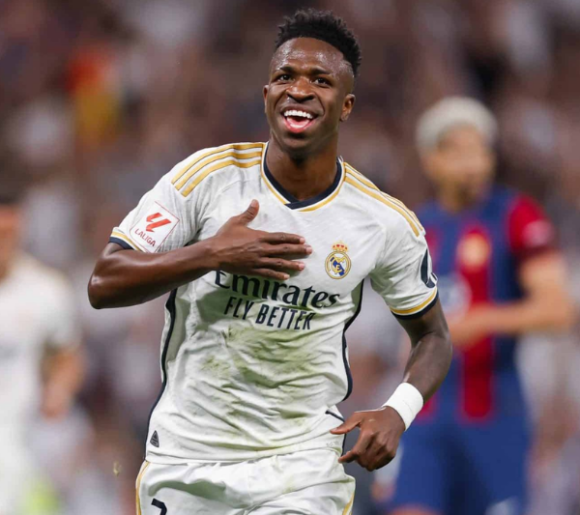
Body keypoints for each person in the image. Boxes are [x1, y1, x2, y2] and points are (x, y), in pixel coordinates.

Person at [88, 10, 452, 515]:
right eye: (285, 77)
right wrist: (212, 253)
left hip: (302, 466)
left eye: (320, 80)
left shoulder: (383, 221)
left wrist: (398, 411)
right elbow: (104, 281)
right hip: (187, 458)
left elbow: (434, 336)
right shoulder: (206, 179)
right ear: (266, 96)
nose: (299, 89)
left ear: (346, 106)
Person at [383, 97, 576, 515]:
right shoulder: (415, 229)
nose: (473, 162)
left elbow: (559, 310)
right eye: (458, 150)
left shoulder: (516, 216)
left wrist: (482, 320)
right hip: (426, 417)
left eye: (481, 150)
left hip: (494, 420)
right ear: (431, 160)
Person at [0, 179, 84, 515]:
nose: (3, 243)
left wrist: (59, 390)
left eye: (9, 234)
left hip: (22, 435)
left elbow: (68, 354)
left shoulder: (46, 290)